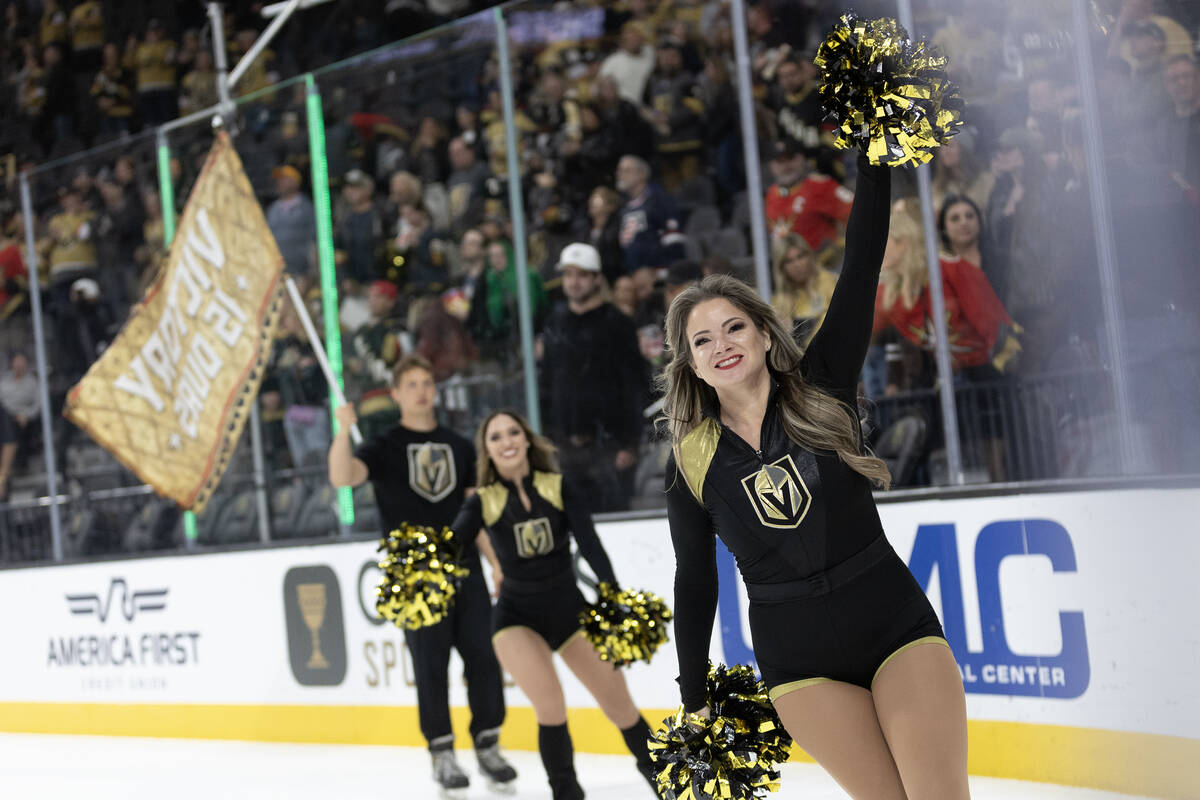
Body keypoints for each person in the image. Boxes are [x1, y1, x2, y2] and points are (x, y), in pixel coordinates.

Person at [662, 156, 971, 799]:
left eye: (734, 326)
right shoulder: (689, 460)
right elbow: (694, 582)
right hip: (799, 666)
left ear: (762, 333)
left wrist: (876, 160)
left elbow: (860, 265)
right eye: (702, 341)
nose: (722, 344)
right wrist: (696, 703)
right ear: (690, 365)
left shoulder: (823, 382)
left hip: (894, 627)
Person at [328, 354, 517, 795]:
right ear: (396, 394)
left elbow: (475, 509)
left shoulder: (458, 444)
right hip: (414, 575)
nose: (420, 390)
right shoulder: (382, 446)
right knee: (430, 665)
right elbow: (342, 477)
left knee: (483, 657)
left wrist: (495, 561)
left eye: (426, 382)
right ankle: (443, 753)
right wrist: (341, 429)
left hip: (463, 562)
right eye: (411, 384)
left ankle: (488, 744)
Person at [450, 410, 658, 800]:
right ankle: (566, 793)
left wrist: (612, 598)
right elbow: (452, 542)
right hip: (515, 620)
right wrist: (427, 559)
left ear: (527, 439)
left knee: (620, 706)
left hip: (572, 614)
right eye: (496, 437)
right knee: (550, 705)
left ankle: (669, 784)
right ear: (488, 451)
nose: (507, 441)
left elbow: (591, 546)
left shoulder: (557, 486)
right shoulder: (483, 501)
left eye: (513, 432)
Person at [540, 243, 648, 512]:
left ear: (597, 278)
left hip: (609, 448)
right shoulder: (555, 324)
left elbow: (634, 386)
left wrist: (629, 444)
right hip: (565, 449)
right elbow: (547, 384)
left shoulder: (618, 323)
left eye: (581, 274)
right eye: (568, 274)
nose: (573, 282)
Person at [770, 231, 837, 346]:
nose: (797, 265)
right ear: (781, 267)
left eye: (800, 257)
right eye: (789, 261)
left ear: (809, 256)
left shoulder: (828, 281)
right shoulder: (780, 301)